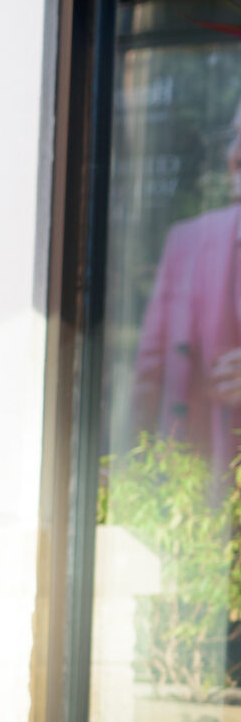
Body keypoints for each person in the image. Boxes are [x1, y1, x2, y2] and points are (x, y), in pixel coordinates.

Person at [131, 92, 241, 477]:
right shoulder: (188, 242)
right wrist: (133, 474)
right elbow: (150, 372)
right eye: (233, 137)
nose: (235, 155)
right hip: (193, 494)